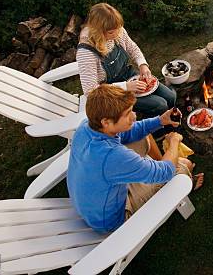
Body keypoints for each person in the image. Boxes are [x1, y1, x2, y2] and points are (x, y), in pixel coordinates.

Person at [67, 84, 203, 232]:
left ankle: (156, 166)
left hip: (94, 199)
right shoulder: (113, 155)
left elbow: (129, 132)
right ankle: (184, 178)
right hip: (112, 219)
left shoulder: (86, 126)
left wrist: (160, 121)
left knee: (142, 137)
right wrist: (174, 142)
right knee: (184, 166)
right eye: (127, 114)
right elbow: (166, 171)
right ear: (106, 122)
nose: (134, 116)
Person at [76, 2, 176, 118]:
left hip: (128, 75)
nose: (117, 34)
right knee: (160, 105)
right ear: (98, 31)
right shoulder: (86, 52)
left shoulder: (116, 28)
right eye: (111, 32)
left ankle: (171, 120)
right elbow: (91, 92)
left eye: (118, 29)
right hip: (110, 93)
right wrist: (126, 86)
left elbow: (132, 47)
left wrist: (142, 65)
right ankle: (154, 130)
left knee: (170, 97)